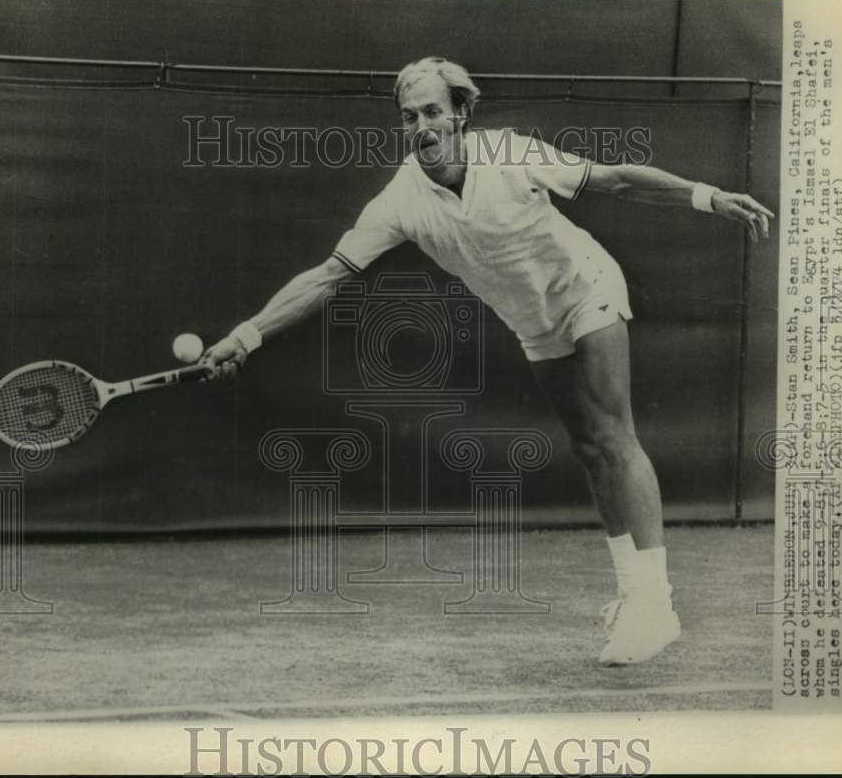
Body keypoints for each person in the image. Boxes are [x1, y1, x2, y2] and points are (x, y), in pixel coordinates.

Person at [202, 57, 773, 665]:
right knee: (587, 448)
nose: (420, 125)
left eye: (432, 112)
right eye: (408, 116)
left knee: (612, 435)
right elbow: (326, 277)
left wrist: (707, 197)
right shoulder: (400, 199)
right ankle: (634, 597)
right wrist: (247, 335)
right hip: (531, 322)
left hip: (588, 288)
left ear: (460, 115)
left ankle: (654, 606)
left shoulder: (511, 153)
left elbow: (614, 181)